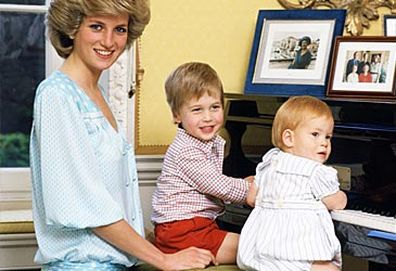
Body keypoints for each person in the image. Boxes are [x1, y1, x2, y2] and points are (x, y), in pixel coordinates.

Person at [29, 1, 216, 270]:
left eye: (119, 29)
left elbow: (109, 197)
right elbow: (87, 206)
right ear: (72, 28)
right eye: (96, 26)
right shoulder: (56, 96)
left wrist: (160, 243)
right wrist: (162, 259)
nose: (109, 41)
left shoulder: (95, 94)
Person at [151, 62, 255, 265]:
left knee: (256, 245)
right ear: (176, 115)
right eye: (197, 110)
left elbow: (215, 183)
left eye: (215, 107)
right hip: (182, 230)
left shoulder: (203, 143)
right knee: (257, 248)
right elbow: (218, 186)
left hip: (196, 226)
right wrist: (251, 190)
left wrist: (244, 183)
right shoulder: (186, 150)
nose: (208, 117)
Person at [237, 96, 347, 271]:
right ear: (289, 138)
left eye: (328, 137)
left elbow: (251, 198)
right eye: (315, 134)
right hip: (296, 253)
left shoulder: (269, 162)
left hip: (259, 251)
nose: (324, 143)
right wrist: (342, 195)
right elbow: (336, 202)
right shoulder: (316, 171)